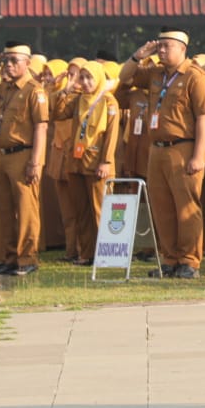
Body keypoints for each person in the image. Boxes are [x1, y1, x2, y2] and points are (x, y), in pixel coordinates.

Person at [118, 29, 205, 279]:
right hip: (157, 149)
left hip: (183, 148)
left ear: (183, 48)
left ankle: (189, 261)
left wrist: (198, 156)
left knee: (186, 208)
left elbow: (204, 118)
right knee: (162, 208)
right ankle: (170, 259)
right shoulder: (155, 74)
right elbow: (125, 77)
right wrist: (137, 56)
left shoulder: (195, 77)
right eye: (159, 46)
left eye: (167, 46)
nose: (161, 50)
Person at [0, 42, 49, 275]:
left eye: (15, 60)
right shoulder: (2, 88)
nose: (9, 65)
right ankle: (10, 257)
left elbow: (41, 128)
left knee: (26, 210)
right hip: (2, 155)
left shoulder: (34, 90)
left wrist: (35, 162)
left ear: (27, 62)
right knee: (2, 209)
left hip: (23, 154)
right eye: (6, 60)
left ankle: (28, 258)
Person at [52, 60, 119, 266]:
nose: (86, 82)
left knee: (100, 210)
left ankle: (106, 254)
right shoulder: (78, 100)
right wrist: (67, 89)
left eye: (90, 77)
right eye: (82, 78)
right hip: (76, 162)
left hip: (97, 162)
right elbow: (57, 113)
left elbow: (111, 135)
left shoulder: (109, 101)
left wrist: (106, 161)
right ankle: (87, 253)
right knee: (81, 211)